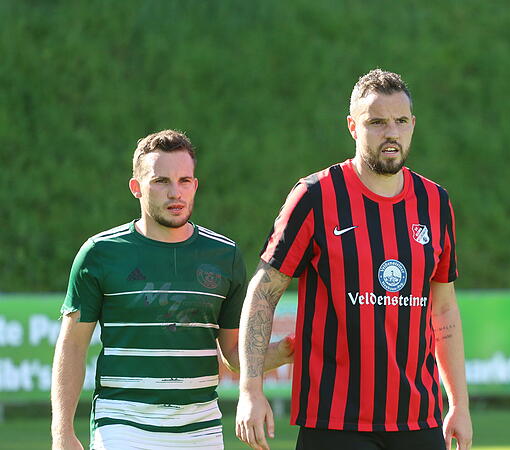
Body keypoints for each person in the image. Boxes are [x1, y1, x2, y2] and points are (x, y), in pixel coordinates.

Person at [236, 69, 473, 450]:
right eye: (377, 122)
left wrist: (459, 404)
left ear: (413, 125)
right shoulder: (315, 196)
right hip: (334, 421)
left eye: (400, 122)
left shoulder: (435, 202)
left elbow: (443, 309)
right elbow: (263, 292)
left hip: (418, 420)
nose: (391, 133)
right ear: (352, 126)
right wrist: (250, 390)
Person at [51, 130, 293, 450]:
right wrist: (62, 432)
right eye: (161, 181)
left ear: (195, 185)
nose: (175, 192)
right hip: (122, 423)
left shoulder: (224, 255)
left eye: (184, 181)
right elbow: (72, 346)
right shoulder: (99, 254)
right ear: (137, 188)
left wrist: (287, 351)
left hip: (201, 427)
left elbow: (233, 356)